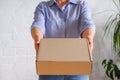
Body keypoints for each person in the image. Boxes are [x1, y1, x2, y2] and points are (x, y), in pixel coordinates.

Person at [31, 0, 95, 80]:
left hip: (77, 66)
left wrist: (89, 37)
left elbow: (87, 23)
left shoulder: (81, 5)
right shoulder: (43, 7)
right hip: (49, 66)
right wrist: (37, 37)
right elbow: (38, 24)